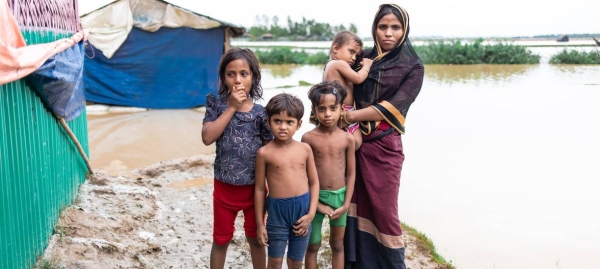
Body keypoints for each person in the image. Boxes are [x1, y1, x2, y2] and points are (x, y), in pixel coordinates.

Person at [341, 4, 424, 269]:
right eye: (382, 26)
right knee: (351, 205)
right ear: (375, 28)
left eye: (395, 27)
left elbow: (395, 105)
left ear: (405, 30)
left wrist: (353, 116)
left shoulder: (413, 66)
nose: (388, 33)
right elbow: (338, 84)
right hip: (352, 144)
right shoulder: (362, 58)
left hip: (385, 147)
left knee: (385, 212)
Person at [201, 48, 273, 269]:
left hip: (256, 190)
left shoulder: (261, 112)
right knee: (221, 240)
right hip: (224, 188)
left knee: (256, 239)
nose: (237, 80)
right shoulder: (215, 102)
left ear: (254, 76)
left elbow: (270, 150)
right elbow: (207, 137)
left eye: (244, 73)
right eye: (231, 74)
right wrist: (231, 107)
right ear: (223, 77)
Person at [254, 93, 320, 269]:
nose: (283, 127)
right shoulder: (264, 153)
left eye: (289, 122)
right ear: (269, 122)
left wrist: (311, 215)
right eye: (277, 121)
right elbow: (260, 189)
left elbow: (314, 182)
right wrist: (260, 224)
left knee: (295, 261)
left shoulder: (305, 149)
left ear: (298, 124)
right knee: (274, 262)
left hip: (302, 210)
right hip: (277, 212)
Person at [302, 81, 356, 269]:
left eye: (333, 108)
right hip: (315, 198)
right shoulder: (308, 138)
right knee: (313, 243)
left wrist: (346, 204)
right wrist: (316, 204)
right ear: (314, 110)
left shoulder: (347, 138)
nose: (327, 114)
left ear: (341, 109)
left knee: (337, 244)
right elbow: (304, 175)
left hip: (340, 198)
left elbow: (351, 173)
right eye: (322, 109)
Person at [320, 30, 373, 150]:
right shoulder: (339, 64)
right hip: (344, 111)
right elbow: (358, 78)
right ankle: (344, 160)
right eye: (351, 52)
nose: (354, 58)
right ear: (335, 48)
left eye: (356, 55)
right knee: (357, 141)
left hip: (335, 110)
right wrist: (367, 66)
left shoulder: (328, 65)